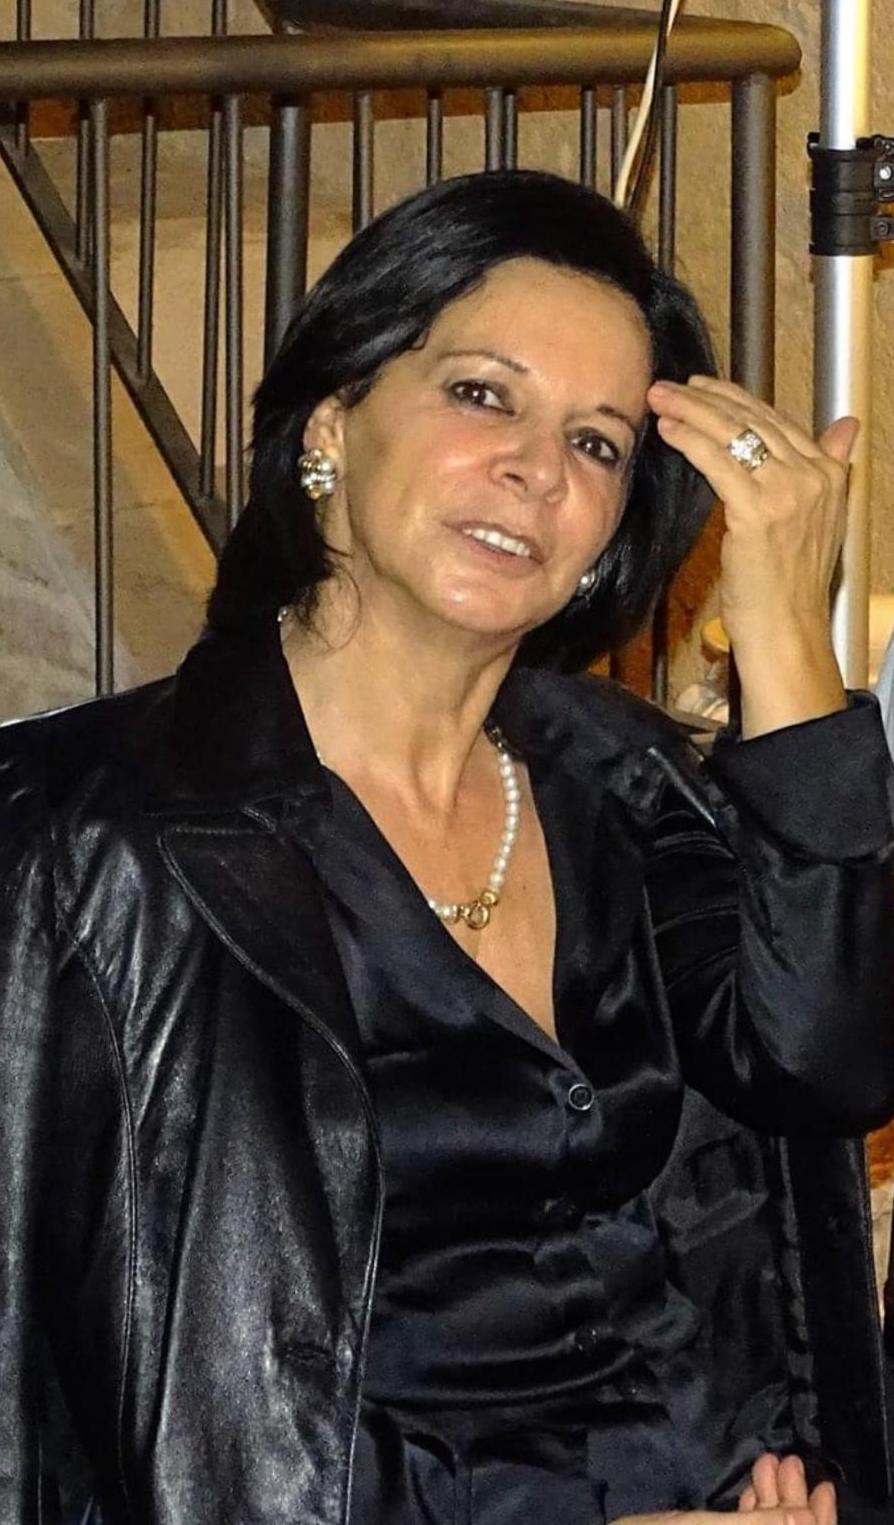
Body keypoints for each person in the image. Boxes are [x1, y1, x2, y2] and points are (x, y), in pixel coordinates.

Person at [1, 169, 893, 1525]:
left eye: (598, 444)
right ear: (331, 424)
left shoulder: (627, 783)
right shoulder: (90, 842)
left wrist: (780, 623)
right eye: (482, 394)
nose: (539, 469)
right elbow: (89, 1426)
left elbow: (823, 1059)